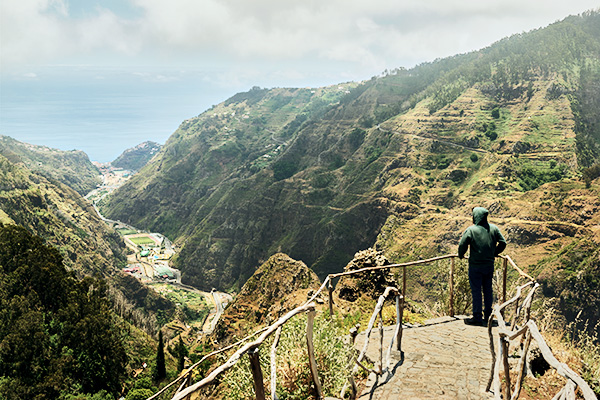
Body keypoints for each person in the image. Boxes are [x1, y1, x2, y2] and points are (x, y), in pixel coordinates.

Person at [458, 207, 506, 326]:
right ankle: (488, 316)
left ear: (476, 216)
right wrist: (494, 252)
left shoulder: (471, 230)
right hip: (489, 265)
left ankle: (477, 317)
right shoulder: (494, 229)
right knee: (487, 290)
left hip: (475, 266)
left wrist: (461, 255)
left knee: (476, 291)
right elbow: (503, 243)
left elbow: (462, 245)